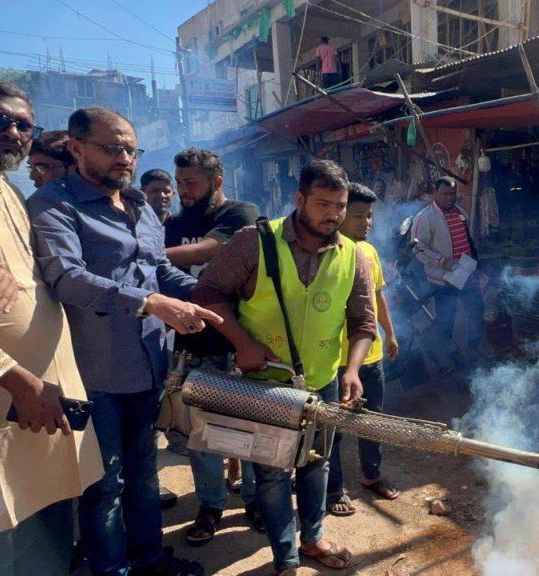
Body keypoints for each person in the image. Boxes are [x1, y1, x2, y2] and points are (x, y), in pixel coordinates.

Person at [27, 106, 219, 576]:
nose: (125, 158)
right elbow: (67, 279)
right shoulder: (54, 205)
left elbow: (159, 270)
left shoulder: (139, 205)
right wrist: (150, 303)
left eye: (131, 149)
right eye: (112, 148)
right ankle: (111, 569)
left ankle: (149, 559)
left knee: (144, 473)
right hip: (95, 371)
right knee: (103, 483)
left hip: (149, 364)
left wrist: (209, 292)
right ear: (77, 148)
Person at [193, 159, 376, 576]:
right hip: (265, 385)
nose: (333, 215)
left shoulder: (353, 255)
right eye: (323, 204)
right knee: (273, 474)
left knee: (316, 463)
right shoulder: (254, 240)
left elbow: (363, 322)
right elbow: (207, 291)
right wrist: (242, 343)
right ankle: (285, 558)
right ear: (299, 199)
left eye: (340, 206)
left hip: (324, 382)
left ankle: (313, 538)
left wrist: (352, 369)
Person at [0, 78, 103, 576]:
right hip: (11, 399)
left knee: (50, 530)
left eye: (24, 125)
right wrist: (18, 380)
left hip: (46, 406)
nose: (14, 133)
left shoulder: (12, 193)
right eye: (1, 120)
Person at [164, 147, 262, 546]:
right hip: (192, 345)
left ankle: (255, 499)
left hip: (238, 342)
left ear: (216, 182)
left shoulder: (240, 214)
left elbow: (208, 250)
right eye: (179, 182)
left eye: (191, 182)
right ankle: (210, 505)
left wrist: (144, 255)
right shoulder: (172, 224)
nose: (182, 190)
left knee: (249, 430)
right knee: (201, 435)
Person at [326, 182, 400, 516]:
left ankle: (372, 475)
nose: (366, 222)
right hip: (336, 359)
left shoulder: (369, 252)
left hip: (371, 355)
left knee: (372, 421)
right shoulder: (328, 252)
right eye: (358, 215)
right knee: (333, 427)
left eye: (369, 216)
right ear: (341, 214)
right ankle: (333, 488)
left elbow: (378, 295)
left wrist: (390, 333)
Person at [411, 176, 484, 371]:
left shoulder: (461, 212)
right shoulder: (424, 217)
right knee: (446, 319)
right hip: (442, 278)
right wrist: (442, 261)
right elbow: (418, 248)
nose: (450, 198)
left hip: (466, 273)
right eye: (445, 194)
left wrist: (478, 268)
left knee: (476, 308)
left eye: (453, 194)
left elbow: (469, 242)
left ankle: (475, 346)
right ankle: (449, 357)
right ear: (436, 193)